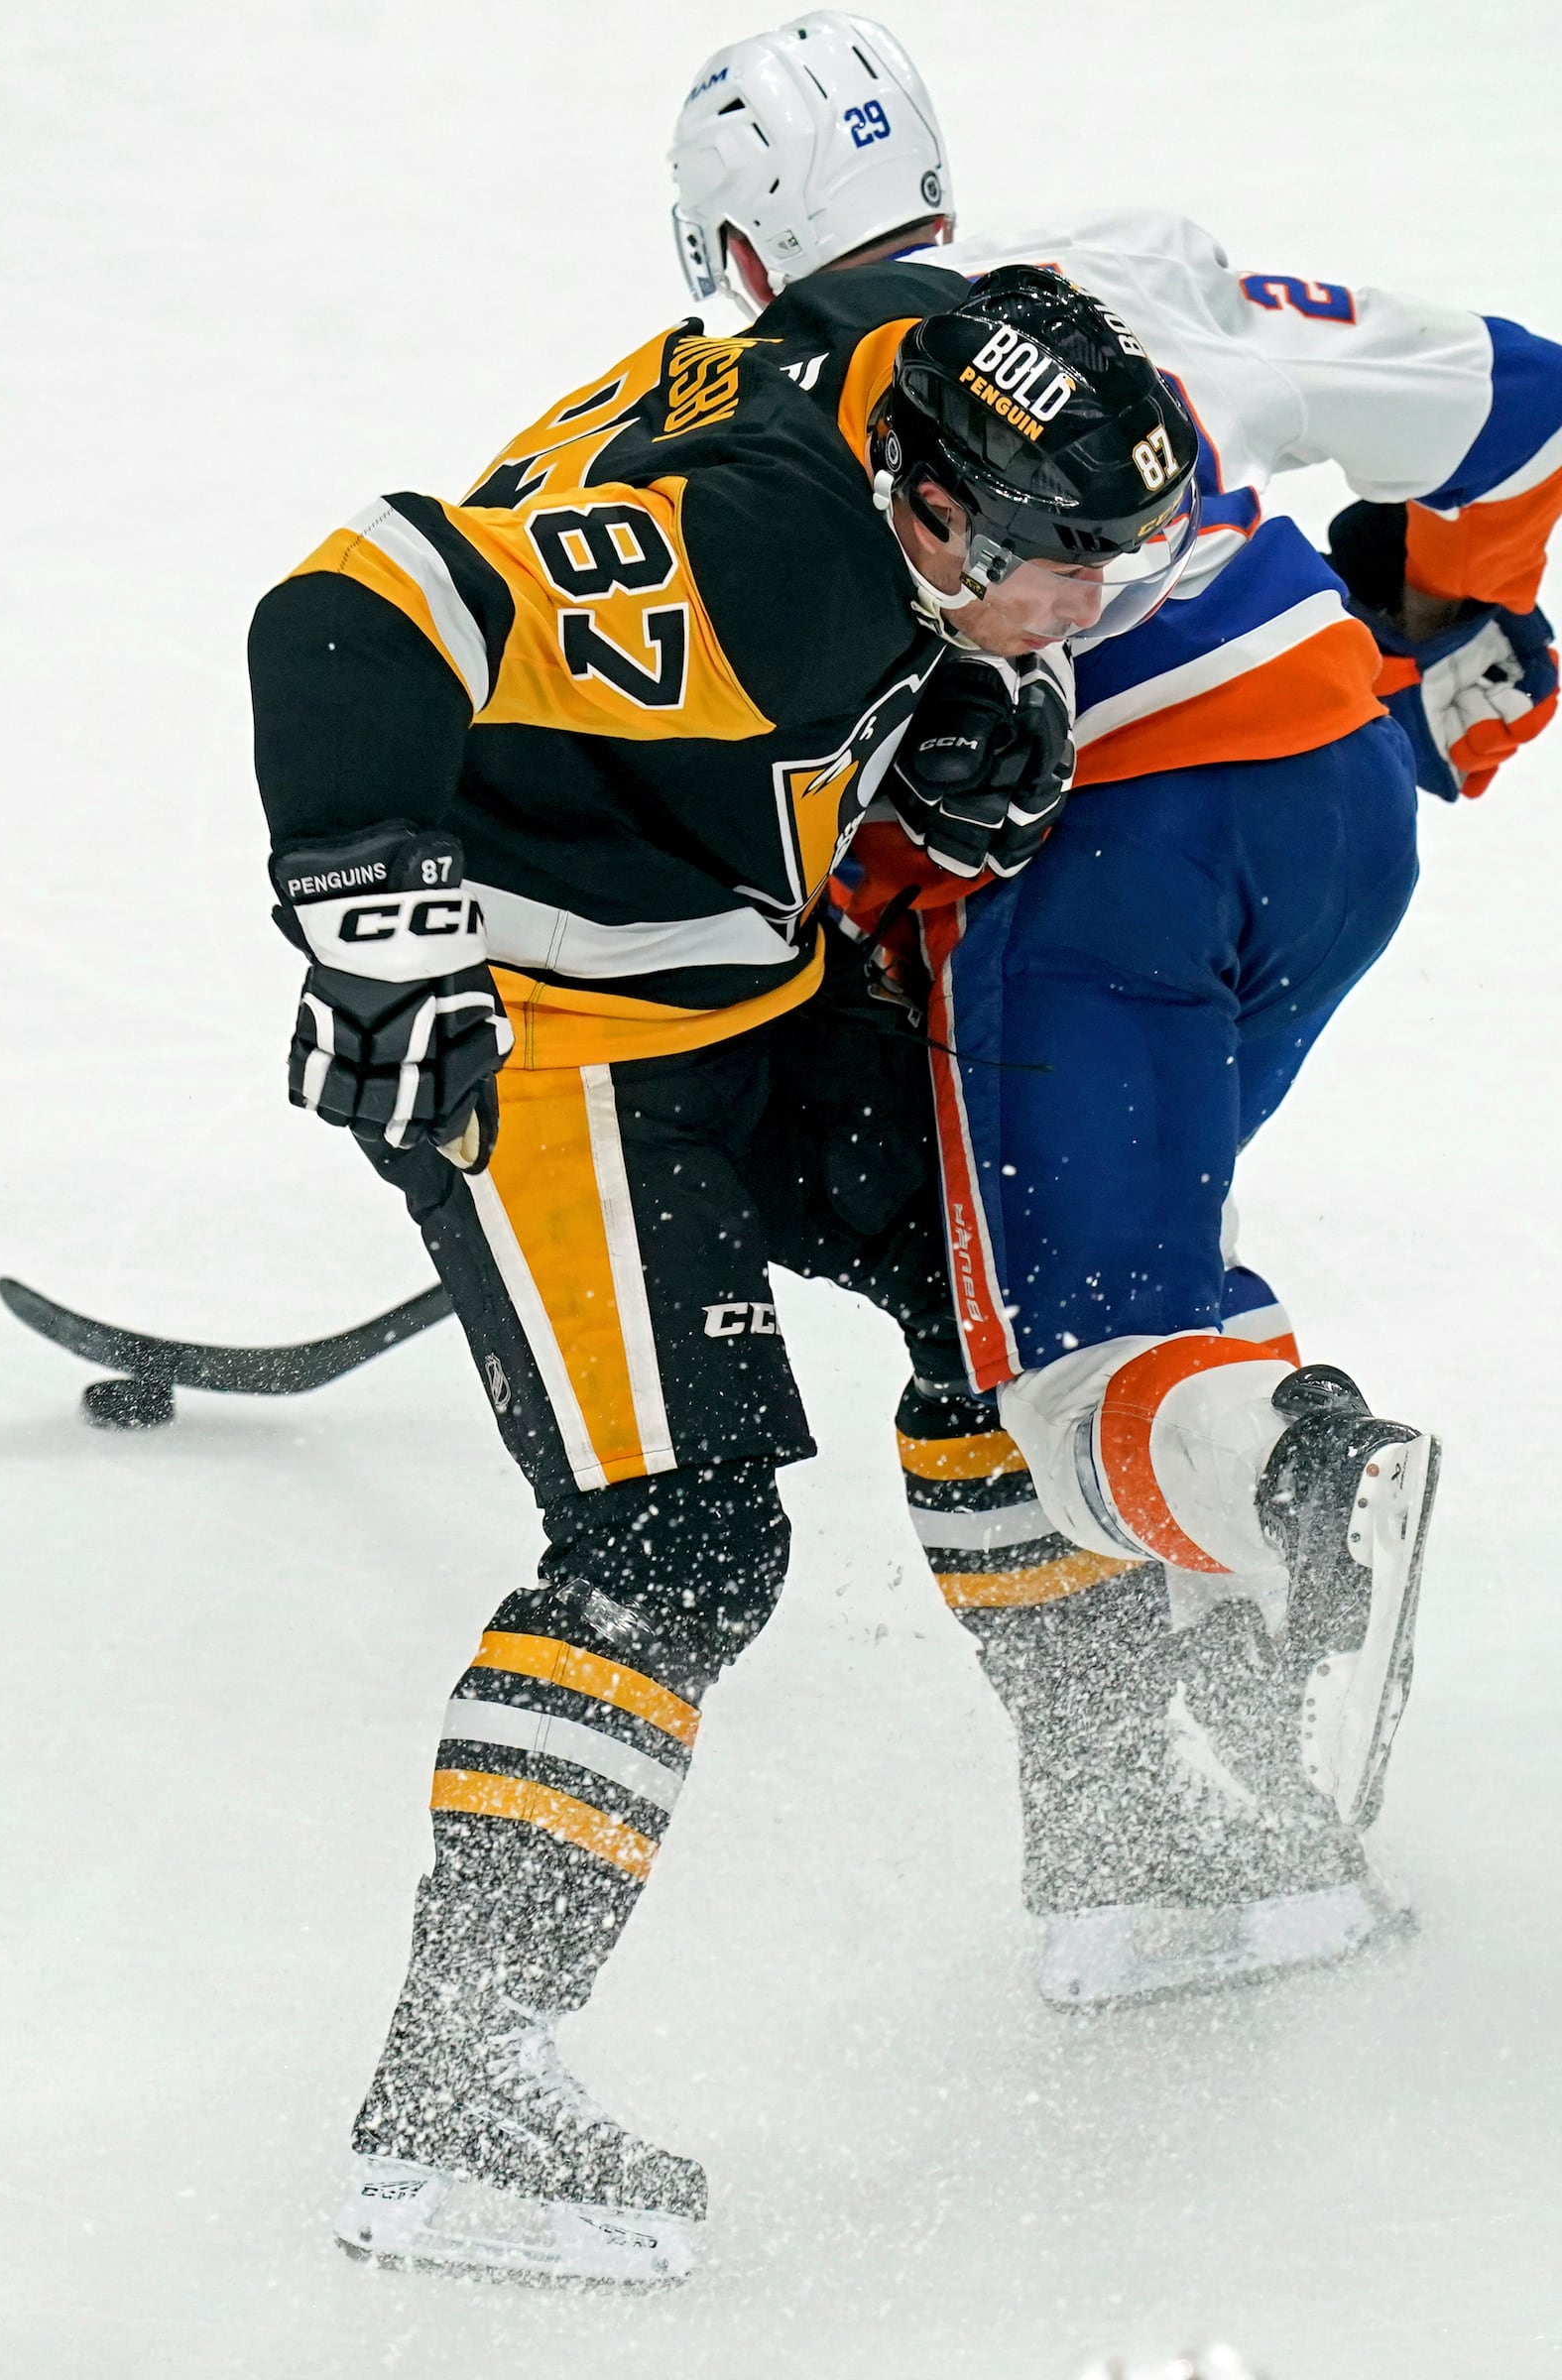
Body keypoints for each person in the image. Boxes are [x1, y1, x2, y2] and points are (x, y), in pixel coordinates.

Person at [248, 267, 1196, 2280]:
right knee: (672, 1542)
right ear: (928, 512)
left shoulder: (913, 359)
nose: (1085, 621)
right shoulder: (762, 548)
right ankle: (454, 2086)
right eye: (1062, 580)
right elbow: (355, 598)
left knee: (993, 1297)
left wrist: (961, 698)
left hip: (735, 993)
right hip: (554, 1047)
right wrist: (370, 906)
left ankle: (1118, 1828)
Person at [669, 9, 1562, 2005]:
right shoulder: (1107, 285)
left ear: (726, 249)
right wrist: (1463, 640)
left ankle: (1300, 1493)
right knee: (1149, 1263)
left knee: (1067, 1377)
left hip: (1098, 882)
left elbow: (714, 796)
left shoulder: (756, 455)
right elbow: (1520, 404)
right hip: (1336, 803)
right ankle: (1217, 1774)